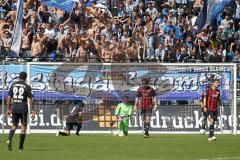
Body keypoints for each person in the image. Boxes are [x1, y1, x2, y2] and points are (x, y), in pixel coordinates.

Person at [6, 71, 35, 151]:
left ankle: (9, 139)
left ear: (19, 76)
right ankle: (20, 148)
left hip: (14, 107)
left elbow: (9, 98)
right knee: (23, 127)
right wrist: (32, 111)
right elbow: (30, 100)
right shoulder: (27, 86)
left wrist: (8, 109)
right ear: (25, 78)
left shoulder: (13, 85)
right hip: (23, 108)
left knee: (14, 125)